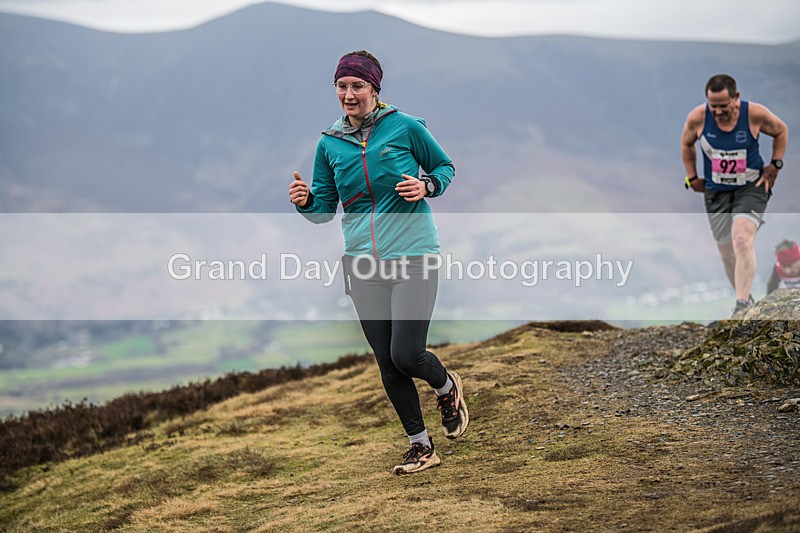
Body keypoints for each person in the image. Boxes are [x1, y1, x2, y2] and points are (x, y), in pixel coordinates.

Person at [288, 50, 467, 475]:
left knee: (406, 354)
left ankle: (446, 387)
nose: (349, 94)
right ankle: (421, 447)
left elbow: (445, 167)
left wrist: (426, 185)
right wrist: (306, 202)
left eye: (357, 86)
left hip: (413, 255)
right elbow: (323, 209)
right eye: (342, 86)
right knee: (386, 363)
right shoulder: (328, 144)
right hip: (362, 264)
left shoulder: (404, 127)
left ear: (374, 89)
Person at [680, 73, 789, 317]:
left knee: (741, 239)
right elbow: (686, 143)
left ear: (736, 97)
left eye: (723, 105)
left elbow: (781, 131)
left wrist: (775, 165)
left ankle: (740, 305)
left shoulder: (755, 114)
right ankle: (747, 300)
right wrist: (692, 177)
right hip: (716, 191)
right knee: (727, 254)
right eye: (713, 106)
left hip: (750, 187)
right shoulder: (698, 118)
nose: (717, 111)